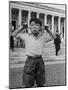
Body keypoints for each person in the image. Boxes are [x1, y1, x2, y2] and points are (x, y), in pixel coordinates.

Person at [12, 18, 55, 88]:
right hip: (29, 61)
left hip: (40, 61)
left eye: (37, 25)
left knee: (41, 82)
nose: (34, 26)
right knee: (27, 82)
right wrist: (22, 27)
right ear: (30, 27)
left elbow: (53, 36)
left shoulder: (43, 37)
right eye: (32, 25)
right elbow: (13, 34)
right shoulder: (26, 36)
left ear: (40, 28)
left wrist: (47, 29)